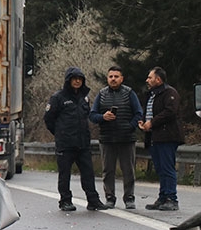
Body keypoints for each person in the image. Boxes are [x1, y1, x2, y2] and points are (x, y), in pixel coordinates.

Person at [44, 67, 109, 211]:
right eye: (74, 79)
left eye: (80, 79)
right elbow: (48, 118)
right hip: (65, 144)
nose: (77, 81)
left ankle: (93, 200)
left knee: (88, 173)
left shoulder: (84, 97)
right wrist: (60, 133)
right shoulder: (58, 98)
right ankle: (65, 201)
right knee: (64, 174)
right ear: (69, 80)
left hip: (83, 142)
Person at [89, 66, 143, 209]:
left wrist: (130, 126)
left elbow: (138, 113)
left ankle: (129, 198)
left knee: (128, 170)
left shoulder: (129, 93)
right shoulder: (101, 94)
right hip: (107, 138)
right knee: (108, 170)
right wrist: (103, 117)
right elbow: (92, 115)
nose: (113, 79)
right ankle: (110, 197)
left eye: (116, 76)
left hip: (127, 138)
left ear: (121, 78)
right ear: (107, 78)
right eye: (111, 76)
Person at [138, 66, 184, 211]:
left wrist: (152, 122)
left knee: (167, 167)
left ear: (158, 79)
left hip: (167, 136)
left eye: (150, 77)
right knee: (160, 169)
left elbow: (169, 112)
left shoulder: (170, 93)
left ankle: (172, 198)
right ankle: (163, 197)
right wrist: (143, 121)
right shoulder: (151, 95)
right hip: (154, 136)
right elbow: (150, 111)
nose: (147, 80)